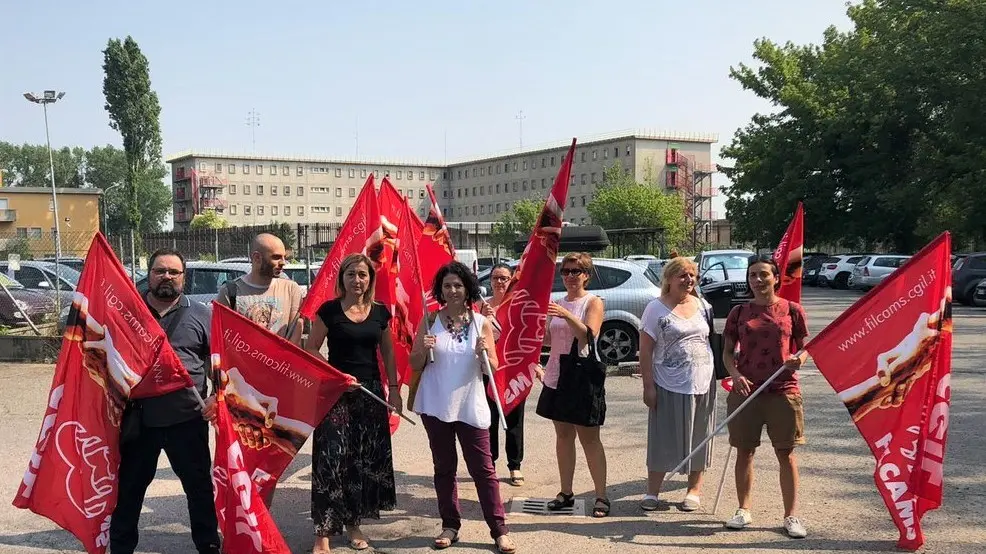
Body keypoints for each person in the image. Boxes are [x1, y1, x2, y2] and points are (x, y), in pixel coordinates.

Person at [110, 248, 221, 554]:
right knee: (129, 490)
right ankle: (120, 548)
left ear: (184, 278)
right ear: (149, 274)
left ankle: (208, 546)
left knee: (198, 489)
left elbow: (220, 365)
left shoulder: (202, 314)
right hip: (139, 420)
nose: (167, 277)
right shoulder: (128, 314)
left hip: (187, 419)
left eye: (174, 272)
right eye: (160, 271)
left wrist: (216, 397)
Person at [409, 261, 517, 553]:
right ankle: (450, 525)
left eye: (458, 285)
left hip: (471, 404)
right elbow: (414, 363)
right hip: (436, 406)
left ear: (468, 287)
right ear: (440, 291)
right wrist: (423, 346)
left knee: (484, 470)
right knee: (444, 468)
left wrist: (485, 354)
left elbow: (492, 368)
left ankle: (499, 529)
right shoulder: (430, 319)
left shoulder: (482, 322)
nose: (453, 290)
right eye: (447, 286)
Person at [303, 253, 400, 553]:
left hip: (370, 394)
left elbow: (388, 352)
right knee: (330, 462)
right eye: (351, 274)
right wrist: (337, 375)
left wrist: (394, 389)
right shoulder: (329, 311)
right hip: (335, 394)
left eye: (362, 274)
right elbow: (311, 348)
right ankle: (323, 533)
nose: (357, 280)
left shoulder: (380, 313)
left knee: (360, 463)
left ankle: (353, 523)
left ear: (370, 279)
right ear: (341, 278)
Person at [722, 254, 809, 538]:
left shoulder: (792, 310)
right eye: (752, 276)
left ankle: (791, 516)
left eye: (763, 275)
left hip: (782, 390)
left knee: (786, 453)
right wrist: (734, 375)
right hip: (746, 391)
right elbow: (726, 352)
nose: (758, 280)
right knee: (744, 451)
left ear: (776, 277)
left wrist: (800, 359)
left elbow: (805, 348)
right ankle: (743, 510)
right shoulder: (739, 313)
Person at [638, 257, 717, 512]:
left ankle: (694, 490)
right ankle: (652, 491)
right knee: (663, 437)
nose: (688, 280)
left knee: (700, 436)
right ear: (669, 279)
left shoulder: (703, 305)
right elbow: (645, 351)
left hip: (703, 381)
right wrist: (648, 386)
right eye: (682, 275)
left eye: (692, 274)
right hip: (667, 383)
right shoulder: (655, 308)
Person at [534, 252, 609, 518]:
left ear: (586, 275)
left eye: (575, 271)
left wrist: (565, 314)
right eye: (565, 271)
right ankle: (566, 492)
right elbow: (546, 340)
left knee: (590, 439)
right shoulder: (556, 303)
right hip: (557, 375)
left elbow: (588, 335)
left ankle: (601, 495)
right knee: (563, 436)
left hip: (582, 377)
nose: (569, 276)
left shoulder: (593, 302)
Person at [481, 262, 526, 486]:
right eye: (496, 278)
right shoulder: (480, 307)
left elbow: (525, 340)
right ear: (489, 281)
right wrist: (483, 319)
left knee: (514, 419)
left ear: (511, 281)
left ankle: (515, 465)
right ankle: (489, 463)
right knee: (488, 419)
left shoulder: (517, 307)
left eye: (504, 278)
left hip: (512, 370)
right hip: (488, 369)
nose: (500, 282)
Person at [216, 232, 303, 344]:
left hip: (279, 361)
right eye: (276, 257)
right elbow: (223, 336)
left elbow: (295, 334)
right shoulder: (231, 291)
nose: (283, 263)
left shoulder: (291, 289)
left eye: (284, 257)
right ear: (257, 258)